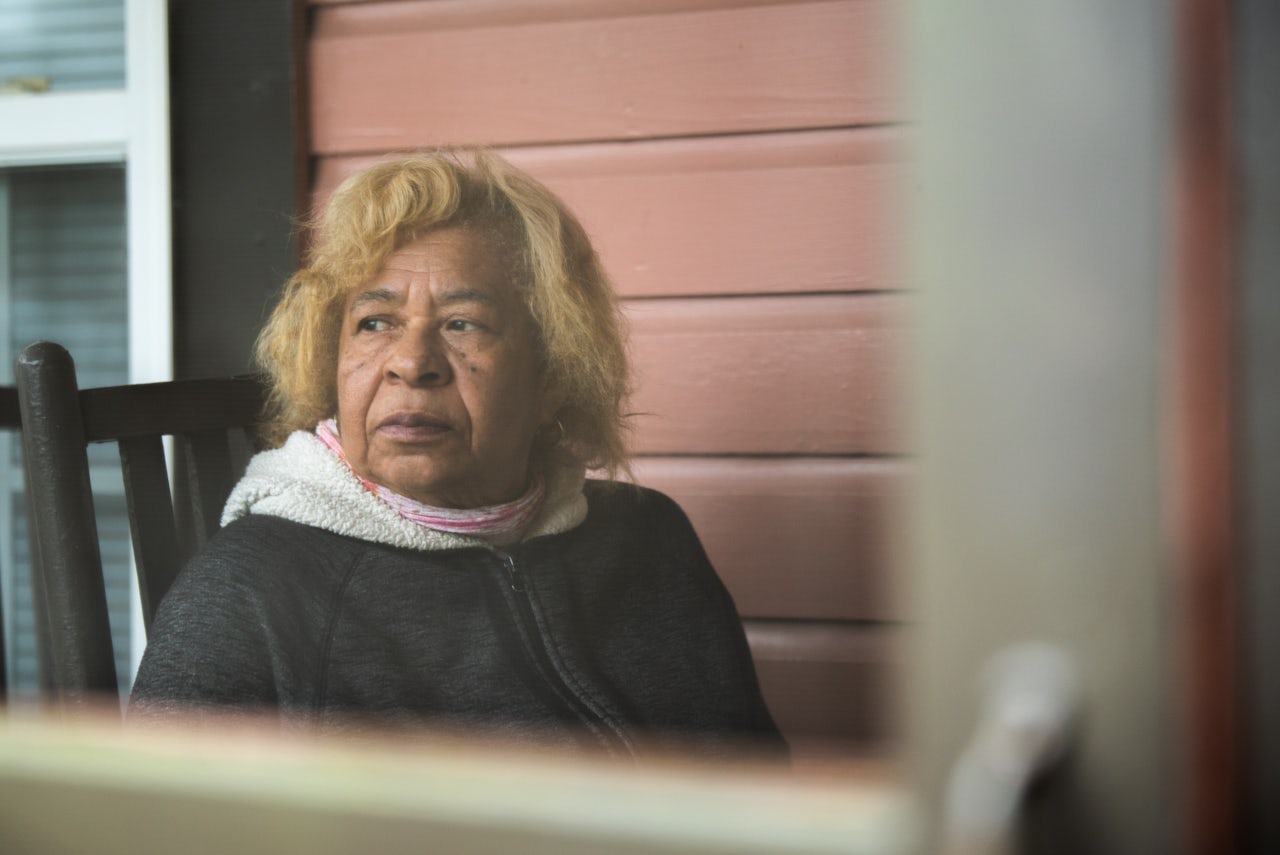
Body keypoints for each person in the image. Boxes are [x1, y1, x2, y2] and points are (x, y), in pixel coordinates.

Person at [130, 149, 785, 759]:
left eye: (463, 323)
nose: (412, 363)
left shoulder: (647, 541)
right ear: (335, 364)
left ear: (551, 373)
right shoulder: (249, 589)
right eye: (375, 323)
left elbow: (759, 790)